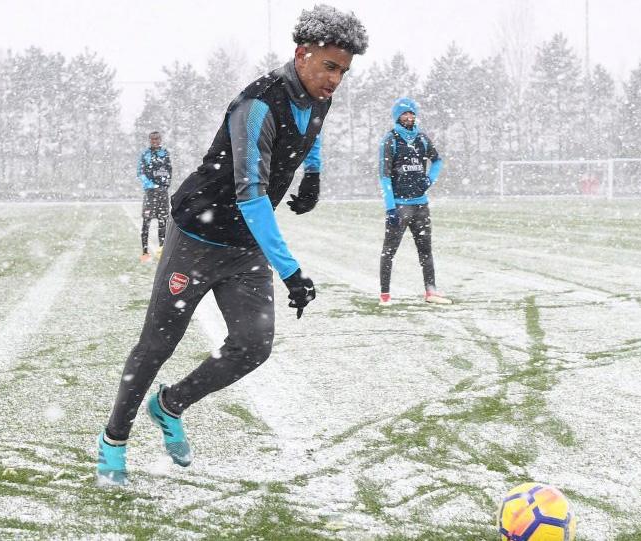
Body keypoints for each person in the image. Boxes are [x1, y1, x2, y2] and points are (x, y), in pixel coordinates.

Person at [96, 4, 368, 487]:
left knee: (253, 345)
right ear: (301, 54)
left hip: (244, 249)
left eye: (343, 71)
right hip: (198, 237)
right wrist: (291, 270)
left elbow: (314, 127)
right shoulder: (258, 105)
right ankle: (114, 440)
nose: (335, 81)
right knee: (158, 343)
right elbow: (251, 195)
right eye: (329, 67)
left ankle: (170, 404)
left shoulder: (319, 96)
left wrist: (314, 173)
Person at [378, 97, 451, 305]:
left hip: (421, 205)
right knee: (389, 251)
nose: (409, 117)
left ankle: (431, 291)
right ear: (397, 117)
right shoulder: (390, 140)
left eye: (412, 113)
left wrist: (430, 179)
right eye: (405, 113)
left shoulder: (422, 139)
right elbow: (384, 176)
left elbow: (437, 160)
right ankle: (385, 295)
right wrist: (391, 207)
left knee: (425, 250)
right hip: (399, 206)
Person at [137, 131, 172, 262]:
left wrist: (166, 185)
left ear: (160, 139)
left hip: (163, 193)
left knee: (163, 222)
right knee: (146, 222)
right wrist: (151, 185)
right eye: (152, 139)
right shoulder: (145, 154)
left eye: (157, 139)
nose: (155, 141)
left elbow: (169, 170)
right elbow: (140, 172)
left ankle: (161, 250)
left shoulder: (165, 153)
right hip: (150, 194)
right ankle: (145, 253)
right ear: (149, 140)